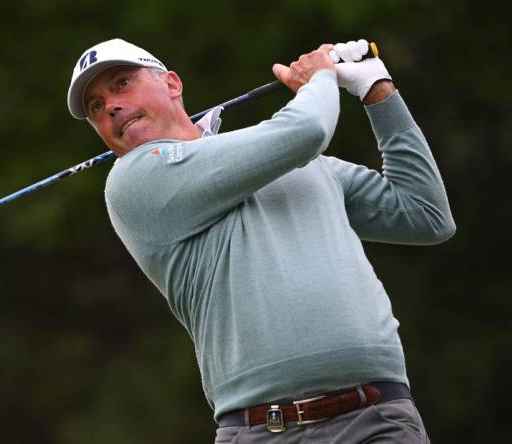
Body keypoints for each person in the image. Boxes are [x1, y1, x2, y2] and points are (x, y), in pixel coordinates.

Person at [67, 38, 455, 443]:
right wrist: (319, 78)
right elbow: (308, 128)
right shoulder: (133, 182)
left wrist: (377, 89)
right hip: (261, 432)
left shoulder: (295, 159)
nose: (110, 105)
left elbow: (425, 214)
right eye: (95, 106)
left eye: (122, 83)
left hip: (377, 421)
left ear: (172, 84)